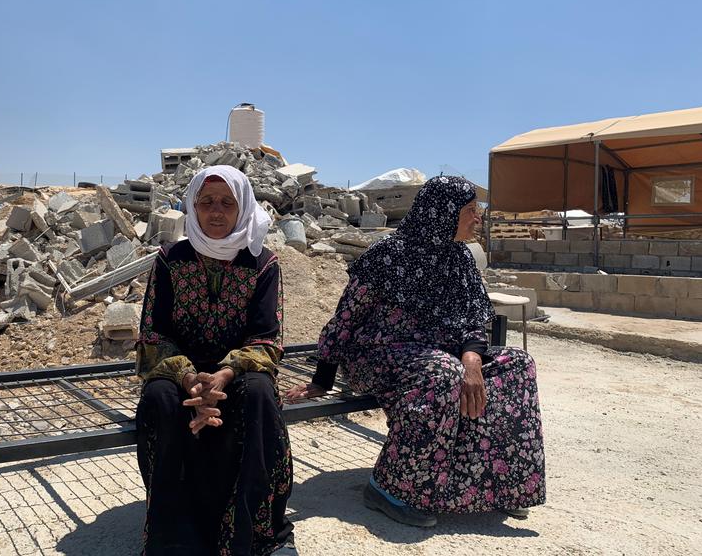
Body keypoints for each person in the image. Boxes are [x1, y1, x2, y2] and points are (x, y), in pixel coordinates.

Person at [287, 175, 545, 527]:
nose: (477, 218)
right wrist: (323, 378)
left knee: (516, 365)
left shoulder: (460, 260)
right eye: (470, 211)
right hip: (378, 354)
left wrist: (472, 359)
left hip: (442, 355)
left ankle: (495, 483)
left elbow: (472, 319)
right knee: (442, 373)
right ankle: (391, 487)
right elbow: (346, 317)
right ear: (442, 212)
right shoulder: (388, 255)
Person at [135, 165, 295, 556]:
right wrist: (190, 378)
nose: (216, 212)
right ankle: (173, 539)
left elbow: (266, 338)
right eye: (206, 202)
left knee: (258, 394)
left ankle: (257, 534)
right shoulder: (171, 258)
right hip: (179, 370)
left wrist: (223, 374)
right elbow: (153, 333)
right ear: (193, 205)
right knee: (159, 398)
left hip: (238, 371)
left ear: (243, 208)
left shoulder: (263, 263)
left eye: (227, 202)